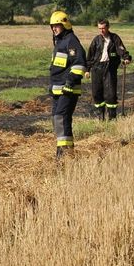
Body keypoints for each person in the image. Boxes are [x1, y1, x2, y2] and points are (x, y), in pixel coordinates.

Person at [48, 11, 87, 159]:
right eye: (52, 26)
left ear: (64, 25)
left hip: (68, 89)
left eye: (57, 25)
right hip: (58, 90)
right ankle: (64, 152)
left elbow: (80, 64)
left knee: (61, 118)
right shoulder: (60, 42)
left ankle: (64, 155)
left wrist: (70, 83)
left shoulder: (71, 40)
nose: (54, 29)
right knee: (58, 120)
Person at [85, 19, 132, 120]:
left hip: (110, 69)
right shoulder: (96, 40)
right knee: (96, 93)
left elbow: (121, 50)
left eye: (103, 28)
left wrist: (126, 58)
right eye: (99, 28)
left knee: (110, 94)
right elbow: (90, 56)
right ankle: (100, 117)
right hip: (97, 68)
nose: (101, 30)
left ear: (108, 27)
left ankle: (112, 118)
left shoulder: (115, 38)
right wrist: (87, 70)